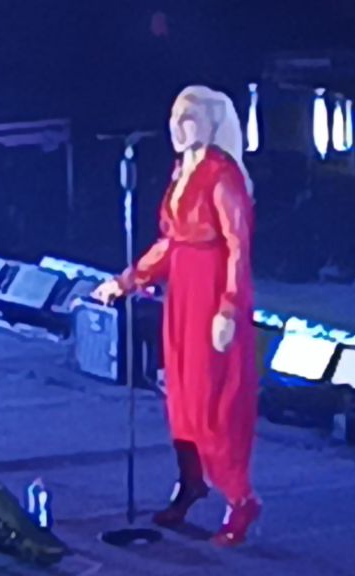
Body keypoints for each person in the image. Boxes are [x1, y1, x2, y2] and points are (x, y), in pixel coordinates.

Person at [92, 85, 260, 546]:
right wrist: (128, 281)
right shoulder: (181, 172)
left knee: (213, 403)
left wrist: (229, 307)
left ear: (210, 123)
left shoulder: (222, 176)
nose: (177, 128)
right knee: (182, 398)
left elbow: (238, 247)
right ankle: (191, 481)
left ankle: (240, 498)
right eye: (174, 118)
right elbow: (170, 243)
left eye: (187, 119)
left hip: (210, 294)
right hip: (182, 294)